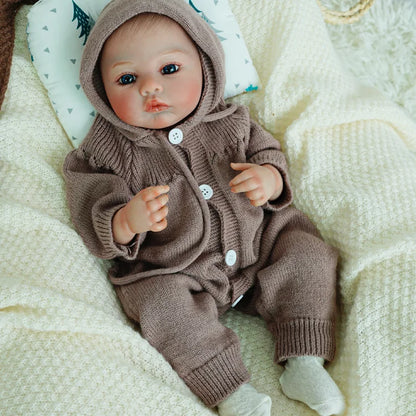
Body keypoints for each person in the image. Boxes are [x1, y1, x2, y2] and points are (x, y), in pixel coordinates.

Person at [64, 1, 345, 415]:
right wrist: (126, 220)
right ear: (100, 91)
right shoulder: (107, 151)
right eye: (127, 78)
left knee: (306, 250)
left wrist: (269, 178)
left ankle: (303, 358)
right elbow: (90, 206)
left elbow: (269, 153)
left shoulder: (230, 120)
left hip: (258, 242)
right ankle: (230, 390)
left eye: (170, 69)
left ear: (204, 63)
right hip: (177, 268)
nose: (150, 88)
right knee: (159, 305)